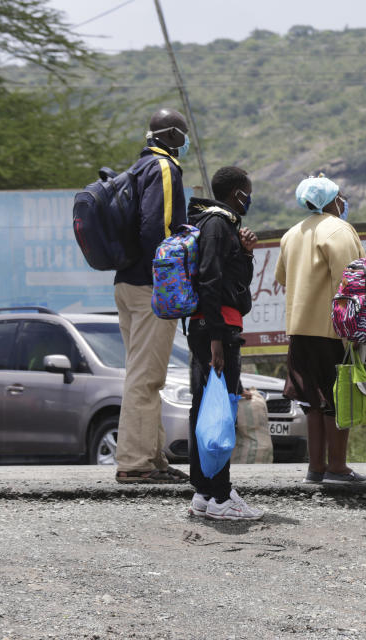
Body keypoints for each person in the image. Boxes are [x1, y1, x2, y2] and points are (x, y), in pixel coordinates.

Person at [114, 108, 191, 484]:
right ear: (174, 136)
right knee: (147, 378)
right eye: (185, 135)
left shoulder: (136, 168)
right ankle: (135, 462)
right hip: (149, 287)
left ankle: (153, 457)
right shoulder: (163, 168)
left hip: (125, 283)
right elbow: (156, 228)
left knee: (142, 373)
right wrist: (168, 283)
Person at [276, 175, 366, 485]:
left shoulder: (292, 234)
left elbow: (282, 278)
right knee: (338, 396)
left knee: (311, 400)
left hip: (299, 327)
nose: (343, 201)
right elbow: (351, 282)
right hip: (332, 328)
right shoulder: (340, 230)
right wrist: (353, 332)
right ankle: (338, 467)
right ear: (330, 200)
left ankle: (316, 468)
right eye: (340, 196)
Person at [185, 166, 264, 520]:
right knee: (220, 411)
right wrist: (217, 337)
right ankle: (220, 497)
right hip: (216, 330)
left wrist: (246, 253)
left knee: (205, 408)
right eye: (248, 191)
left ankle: (204, 491)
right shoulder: (217, 224)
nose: (250, 198)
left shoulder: (212, 223)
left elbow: (236, 284)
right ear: (236, 193)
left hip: (209, 327)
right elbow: (210, 279)